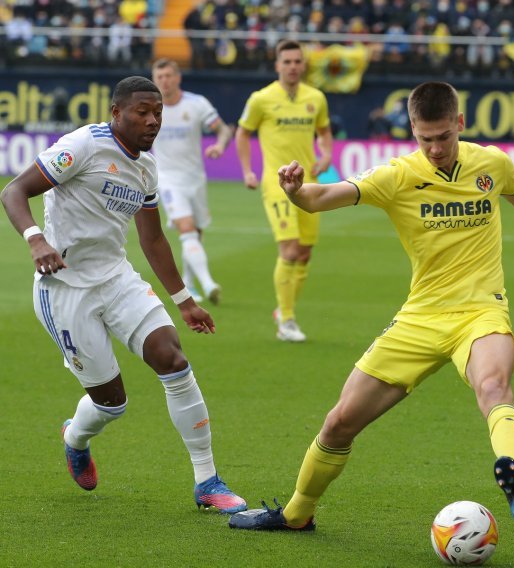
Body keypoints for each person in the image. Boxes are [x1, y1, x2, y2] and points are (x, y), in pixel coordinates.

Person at [228, 81, 514, 532]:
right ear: (412, 129)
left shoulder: (490, 164)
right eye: (425, 138)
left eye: (443, 137)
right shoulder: (397, 176)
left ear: (459, 125)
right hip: (420, 318)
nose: (434, 148)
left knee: (493, 387)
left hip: (481, 313)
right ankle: (296, 514)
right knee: (338, 424)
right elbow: (323, 198)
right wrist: (296, 192)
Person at [0, 76, 246, 514]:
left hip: (116, 279)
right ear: (116, 113)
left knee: (174, 359)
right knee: (111, 404)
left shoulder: (147, 167)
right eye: (142, 112)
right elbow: (13, 190)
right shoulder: (81, 146)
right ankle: (75, 437)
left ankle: (207, 481)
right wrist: (37, 240)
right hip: (65, 289)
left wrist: (184, 300)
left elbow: (152, 240)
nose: (152, 121)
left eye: (158, 113)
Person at [235, 39, 333, 342]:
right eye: (287, 61)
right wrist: (248, 170)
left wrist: (327, 153)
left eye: (297, 61)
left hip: (308, 184)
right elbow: (243, 133)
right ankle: (287, 320)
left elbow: (325, 132)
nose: (292, 66)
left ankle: (284, 309)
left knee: (304, 255)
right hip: (277, 183)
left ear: (303, 65)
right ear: (277, 65)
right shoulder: (261, 99)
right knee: (290, 249)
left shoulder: (315, 97)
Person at [151, 58, 233, 304]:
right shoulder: (150, 107)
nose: (164, 81)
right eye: (159, 77)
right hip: (166, 179)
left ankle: (188, 283)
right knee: (186, 229)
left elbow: (224, 129)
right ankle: (208, 284)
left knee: (196, 232)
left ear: (178, 78)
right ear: (154, 80)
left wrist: (219, 145)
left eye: (168, 75)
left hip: (195, 179)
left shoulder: (196, 104)